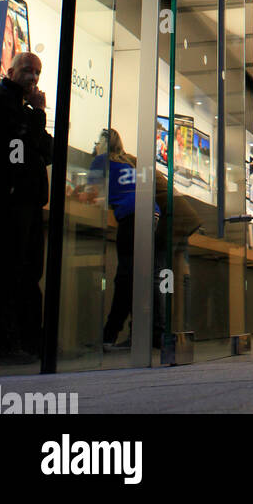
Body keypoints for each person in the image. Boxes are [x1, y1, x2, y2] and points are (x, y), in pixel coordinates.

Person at [0, 51, 52, 362]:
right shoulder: (4, 101)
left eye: (38, 72)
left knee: (29, 273)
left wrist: (35, 122)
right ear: (11, 70)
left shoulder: (24, 109)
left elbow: (48, 148)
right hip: (12, 201)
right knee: (11, 272)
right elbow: (23, 142)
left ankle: (29, 341)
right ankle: (7, 342)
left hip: (29, 202)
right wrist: (37, 116)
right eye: (28, 70)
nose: (33, 77)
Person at [88, 128, 160, 350]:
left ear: (102, 144)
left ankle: (109, 336)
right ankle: (149, 333)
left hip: (132, 217)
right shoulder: (128, 164)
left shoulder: (101, 162)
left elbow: (90, 194)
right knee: (138, 276)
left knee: (125, 277)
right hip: (151, 214)